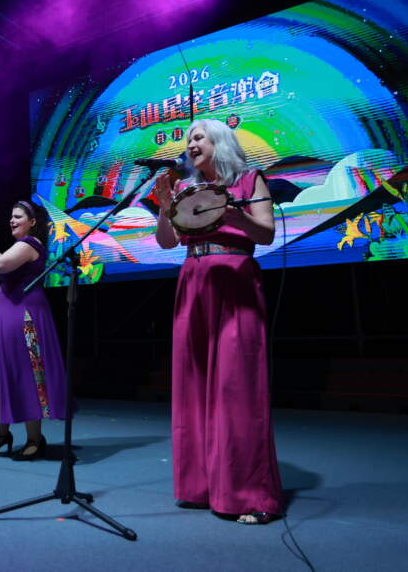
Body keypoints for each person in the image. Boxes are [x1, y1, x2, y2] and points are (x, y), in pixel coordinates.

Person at [154, 118, 284, 525]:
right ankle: (200, 486)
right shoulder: (185, 188)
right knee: (192, 386)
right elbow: (167, 242)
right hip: (193, 282)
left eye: (198, 137)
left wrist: (231, 214)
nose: (190, 144)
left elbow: (265, 233)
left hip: (234, 281)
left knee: (236, 387)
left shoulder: (248, 179)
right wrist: (165, 205)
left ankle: (249, 494)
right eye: (187, 139)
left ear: (219, 142)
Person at [0, 200, 70, 460]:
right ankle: (1, 433)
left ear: (32, 222)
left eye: (17, 217)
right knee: (1, 369)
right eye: (11, 217)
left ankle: (35, 438)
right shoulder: (18, 246)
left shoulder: (30, 244)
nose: (12, 221)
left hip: (25, 313)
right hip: (6, 312)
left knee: (27, 371)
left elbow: (0, 264)